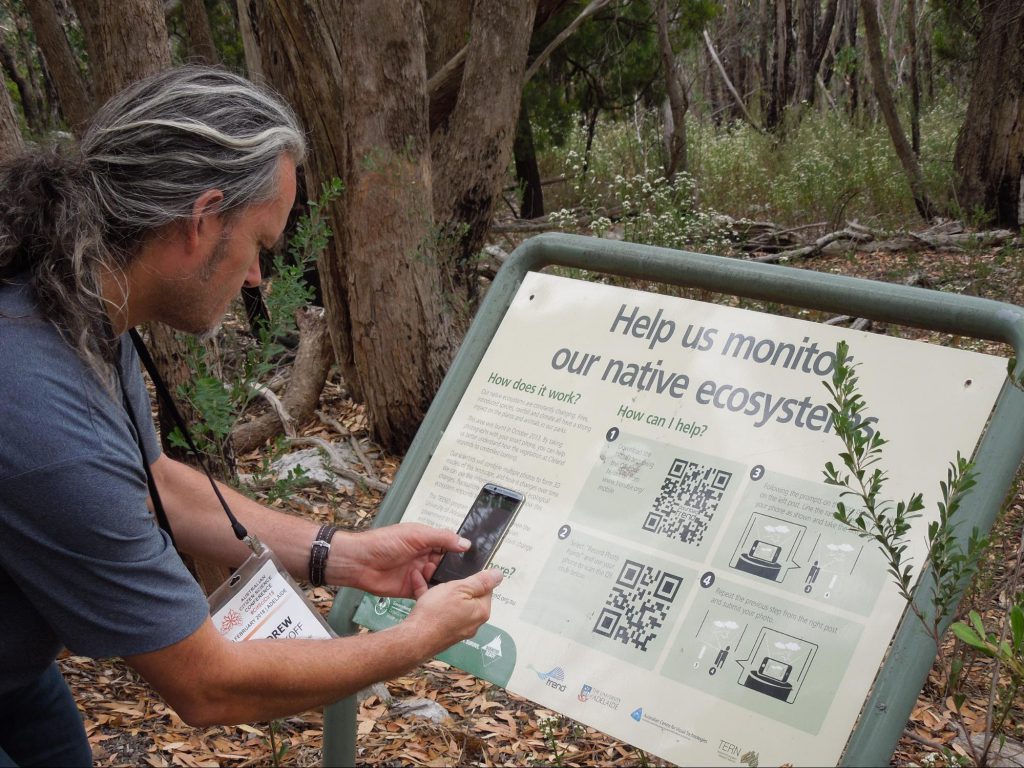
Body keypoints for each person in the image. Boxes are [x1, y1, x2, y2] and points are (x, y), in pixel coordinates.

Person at [0, 66, 502, 767]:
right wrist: (412, 642)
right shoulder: (41, 407)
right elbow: (208, 687)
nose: (257, 279)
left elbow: (158, 485)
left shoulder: (73, 297)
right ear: (202, 220)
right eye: (261, 247)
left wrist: (344, 554)